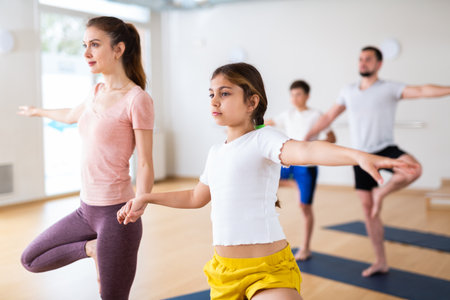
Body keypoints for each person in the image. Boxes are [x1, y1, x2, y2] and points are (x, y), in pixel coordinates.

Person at [117, 62, 416, 299]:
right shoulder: (215, 152)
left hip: (267, 270)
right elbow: (196, 197)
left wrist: (359, 156)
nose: (215, 100)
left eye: (225, 93)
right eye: (211, 93)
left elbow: (307, 148)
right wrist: (146, 197)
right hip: (224, 271)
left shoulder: (263, 139)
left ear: (252, 102)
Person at [17, 16, 154, 299]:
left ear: (118, 49)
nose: (86, 53)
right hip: (85, 210)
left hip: (117, 215)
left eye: (94, 44)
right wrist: (38, 111)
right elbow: (69, 116)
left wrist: (140, 201)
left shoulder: (137, 99)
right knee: (30, 259)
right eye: (84, 45)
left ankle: (99, 248)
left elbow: (144, 161)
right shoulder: (96, 91)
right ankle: (90, 249)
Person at [304, 46, 450, 277]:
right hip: (360, 156)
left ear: (379, 64)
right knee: (369, 211)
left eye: (368, 59)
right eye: (361, 59)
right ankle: (380, 261)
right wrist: (307, 137)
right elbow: (329, 116)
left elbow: (422, 90)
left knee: (414, 170)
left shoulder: (389, 88)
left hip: (385, 148)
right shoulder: (348, 90)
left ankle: (382, 193)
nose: (363, 63)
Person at [266, 80, 336, 261]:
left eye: (298, 94)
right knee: (265, 183)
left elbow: (331, 137)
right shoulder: (287, 114)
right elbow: (267, 123)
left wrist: (312, 147)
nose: (294, 98)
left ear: (307, 96)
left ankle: (305, 248)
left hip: (307, 167)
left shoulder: (316, 115)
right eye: (292, 95)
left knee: (305, 206)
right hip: (288, 163)